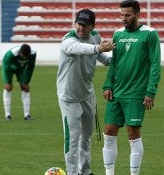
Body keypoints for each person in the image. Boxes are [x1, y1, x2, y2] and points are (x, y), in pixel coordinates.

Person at [101, 1, 161, 175]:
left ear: (137, 14)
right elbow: (114, 63)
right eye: (121, 15)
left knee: (132, 133)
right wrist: (107, 85)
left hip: (136, 93)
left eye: (127, 15)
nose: (123, 18)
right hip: (116, 92)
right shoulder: (118, 34)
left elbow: (155, 65)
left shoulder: (150, 34)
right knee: (108, 132)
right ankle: (109, 173)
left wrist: (151, 91)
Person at [57, 8, 115, 175]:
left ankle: (86, 171)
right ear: (75, 23)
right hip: (69, 97)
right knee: (72, 140)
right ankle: (72, 172)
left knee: (86, 138)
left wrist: (114, 60)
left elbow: (101, 58)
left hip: (87, 95)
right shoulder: (68, 40)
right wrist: (98, 48)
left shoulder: (95, 36)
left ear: (92, 26)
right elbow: (80, 49)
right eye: (79, 24)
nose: (81, 28)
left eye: (85, 25)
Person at [2, 44, 36, 121]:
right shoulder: (10, 54)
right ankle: (7, 115)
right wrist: (8, 81)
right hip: (9, 68)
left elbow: (31, 67)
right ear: (20, 52)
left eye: (26, 56)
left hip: (21, 69)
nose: (24, 58)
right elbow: (6, 67)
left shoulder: (33, 54)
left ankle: (27, 115)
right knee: (8, 88)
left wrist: (27, 82)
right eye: (23, 55)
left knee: (25, 88)